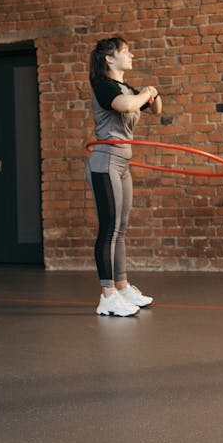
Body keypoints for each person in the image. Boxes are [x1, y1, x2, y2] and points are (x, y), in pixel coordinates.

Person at [86, 37, 163, 317]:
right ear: (109, 58)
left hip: (123, 162)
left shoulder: (125, 87)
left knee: (121, 227)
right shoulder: (104, 85)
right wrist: (144, 94)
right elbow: (126, 105)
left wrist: (152, 95)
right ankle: (107, 295)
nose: (131, 55)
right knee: (109, 227)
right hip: (105, 161)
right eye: (126, 51)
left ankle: (122, 286)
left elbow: (155, 110)